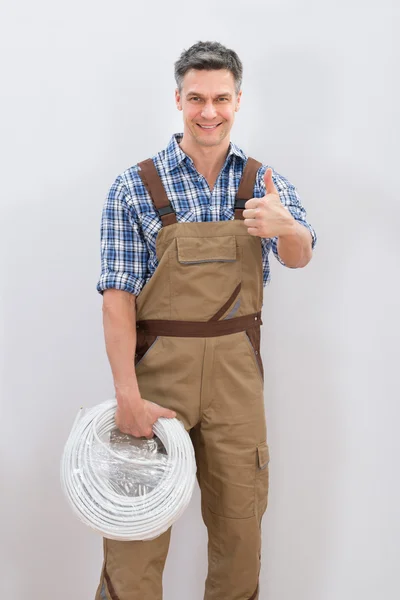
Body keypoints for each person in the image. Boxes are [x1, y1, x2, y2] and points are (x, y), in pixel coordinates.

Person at [95, 41, 316, 600]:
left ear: (239, 101)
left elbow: (300, 254)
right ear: (178, 99)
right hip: (156, 381)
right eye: (197, 98)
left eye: (221, 98)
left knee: (241, 530)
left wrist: (286, 226)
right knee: (135, 534)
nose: (209, 111)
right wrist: (126, 395)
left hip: (237, 383)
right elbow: (117, 299)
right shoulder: (134, 186)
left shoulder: (265, 185)